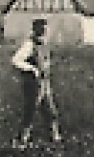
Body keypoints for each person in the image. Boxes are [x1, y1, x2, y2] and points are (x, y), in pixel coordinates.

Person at [10, 18, 61, 147]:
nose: (45, 32)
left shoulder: (43, 45)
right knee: (31, 111)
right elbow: (16, 60)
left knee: (50, 111)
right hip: (33, 84)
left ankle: (54, 138)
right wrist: (32, 69)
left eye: (45, 29)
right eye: (42, 29)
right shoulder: (29, 45)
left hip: (44, 82)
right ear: (36, 30)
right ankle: (21, 140)